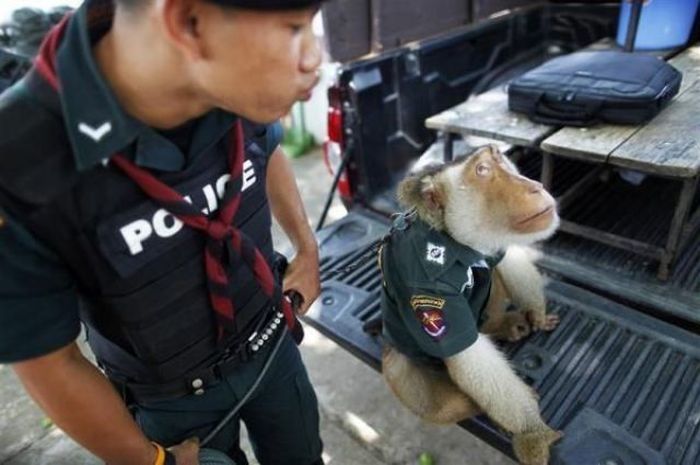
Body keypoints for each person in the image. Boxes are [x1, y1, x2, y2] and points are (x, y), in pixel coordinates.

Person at [0, 0, 326, 464]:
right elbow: (49, 362)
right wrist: (152, 461)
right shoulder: (20, 162)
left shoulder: (238, 82)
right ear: (188, 22)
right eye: (295, 28)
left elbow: (265, 146)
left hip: (272, 343)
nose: (314, 55)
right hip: (171, 403)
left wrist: (306, 250)